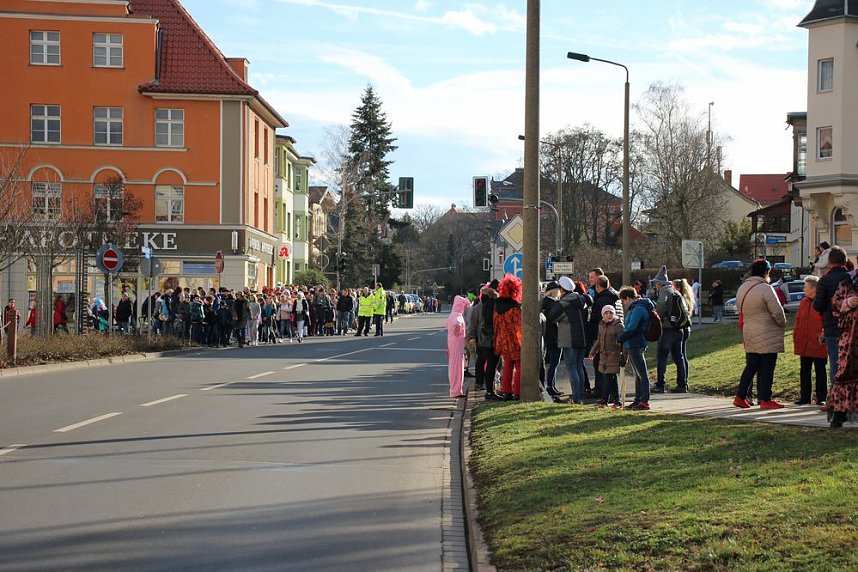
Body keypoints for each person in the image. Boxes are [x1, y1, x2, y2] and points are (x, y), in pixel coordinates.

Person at [733, 259, 787, 410]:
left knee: (751, 365)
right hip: (766, 331)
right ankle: (765, 399)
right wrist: (782, 323)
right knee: (767, 366)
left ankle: (740, 395)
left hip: (749, 330)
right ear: (766, 272)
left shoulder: (743, 288)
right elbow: (777, 311)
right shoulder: (765, 288)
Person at [547, 276, 590, 404]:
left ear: (562, 290)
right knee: (579, 367)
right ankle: (581, 395)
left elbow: (552, 317)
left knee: (571, 368)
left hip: (569, 339)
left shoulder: (562, 304)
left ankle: (576, 398)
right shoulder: (582, 300)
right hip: (582, 338)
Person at [813, 245, 850, 389]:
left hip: (832, 327)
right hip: (851, 327)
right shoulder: (852, 277)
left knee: (835, 361)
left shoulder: (825, 280)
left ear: (830, 262)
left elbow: (817, 305)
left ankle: (836, 396)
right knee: (850, 361)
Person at [828, 268, 858, 427]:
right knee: (845, 370)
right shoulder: (848, 281)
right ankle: (840, 413)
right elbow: (835, 302)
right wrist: (848, 303)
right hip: (850, 335)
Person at [792, 275, 827, 406]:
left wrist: (822, 334)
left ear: (813, 288)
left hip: (818, 341)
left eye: (805, 286)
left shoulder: (822, 302)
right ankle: (805, 396)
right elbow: (798, 319)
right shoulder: (804, 302)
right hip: (804, 341)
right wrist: (796, 335)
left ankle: (822, 397)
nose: (803, 289)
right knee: (804, 370)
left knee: (820, 370)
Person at [653, 266, 688, 393]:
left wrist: (656, 317)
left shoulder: (664, 292)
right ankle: (682, 384)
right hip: (679, 329)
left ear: (659, 284)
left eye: (656, 284)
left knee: (662, 357)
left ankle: (660, 384)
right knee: (679, 357)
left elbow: (661, 307)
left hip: (667, 329)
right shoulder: (676, 291)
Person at [617, 287, 654, 410]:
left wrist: (621, 337)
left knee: (641, 373)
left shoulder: (638, 309)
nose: (623, 304)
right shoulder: (636, 308)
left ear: (628, 298)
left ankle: (644, 400)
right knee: (637, 374)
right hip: (632, 343)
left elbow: (632, 328)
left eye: (623, 301)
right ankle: (638, 399)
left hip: (636, 343)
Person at [587, 275, 623, 399]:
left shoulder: (602, 300)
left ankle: (605, 395)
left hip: (608, 345)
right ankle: (610, 396)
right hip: (609, 345)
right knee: (610, 373)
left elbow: (597, 321)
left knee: (605, 371)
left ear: (598, 286)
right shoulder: (613, 296)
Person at [588, 304, 624, 408]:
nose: (608, 315)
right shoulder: (602, 325)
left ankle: (604, 400)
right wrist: (592, 352)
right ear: (603, 315)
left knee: (609, 377)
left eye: (611, 313)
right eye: (606, 313)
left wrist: (621, 350)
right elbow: (599, 340)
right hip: (604, 355)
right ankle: (616, 400)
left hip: (614, 355)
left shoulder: (618, 325)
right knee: (611, 378)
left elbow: (621, 340)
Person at [494, 275, 523, 400]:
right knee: (520, 367)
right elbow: (519, 326)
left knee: (507, 366)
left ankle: (506, 392)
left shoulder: (497, 307)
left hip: (502, 340)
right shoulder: (515, 308)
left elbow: (495, 325)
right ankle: (517, 392)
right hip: (515, 340)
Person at [671, 278, 695, 393]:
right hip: (686, 328)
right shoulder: (688, 298)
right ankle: (684, 380)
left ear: (678, 288)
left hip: (681, 328)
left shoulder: (679, 299)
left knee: (679, 356)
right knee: (682, 355)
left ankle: (682, 382)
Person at [540, 281, 563, 397]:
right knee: (554, 362)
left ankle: (551, 385)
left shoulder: (545, 302)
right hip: (554, 335)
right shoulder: (553, 303)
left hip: (548, 335)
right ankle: (550, 385)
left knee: (552, 362)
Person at [446, 295, 471, 398]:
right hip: (457, 344)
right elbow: (457, 322)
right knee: (457, 367)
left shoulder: (453, 314)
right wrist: (459, 325)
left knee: (454, 366)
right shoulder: (457, 316)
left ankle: (456, 390)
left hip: (454, 343)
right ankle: (456, 390)